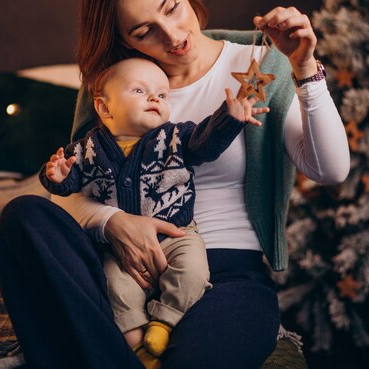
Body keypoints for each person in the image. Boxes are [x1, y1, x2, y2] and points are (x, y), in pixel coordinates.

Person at [0, 0, 350, 368]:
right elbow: (72, 191)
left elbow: (330, 170)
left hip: (224, 272)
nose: (173, 35)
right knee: (25, 216)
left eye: (172, 7)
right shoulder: (114, 83)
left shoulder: (259, 64)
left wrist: (304, 66)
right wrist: (115, 224)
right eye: (145, 31)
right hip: (118, 264)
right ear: (125, 40)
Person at [38, 57, 269, 364]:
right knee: (115, 286)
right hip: (120, 248)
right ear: (105, 108)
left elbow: (207, 143)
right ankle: (137, 345)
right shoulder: (86, 149)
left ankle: (164, 322)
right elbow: (69, 186)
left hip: (179, 234)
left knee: (194, 271)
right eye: (139, 90)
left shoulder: (175, 137)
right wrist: (57, 176)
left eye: (162, 95)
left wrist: (230, 118)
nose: (154, 99)